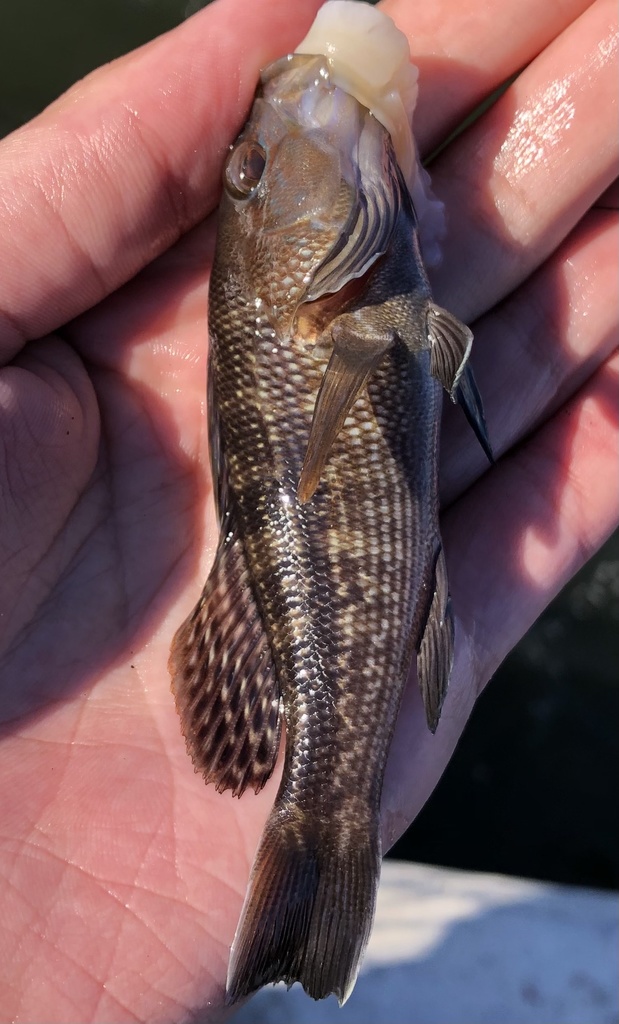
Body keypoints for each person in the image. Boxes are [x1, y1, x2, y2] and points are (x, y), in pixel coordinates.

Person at [0, 0, 616, 1020]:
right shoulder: (353, 297)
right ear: (279, 268)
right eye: (251, 175)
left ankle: (321, 841)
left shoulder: (360, 289)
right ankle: (326, 831)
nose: (264, 154)